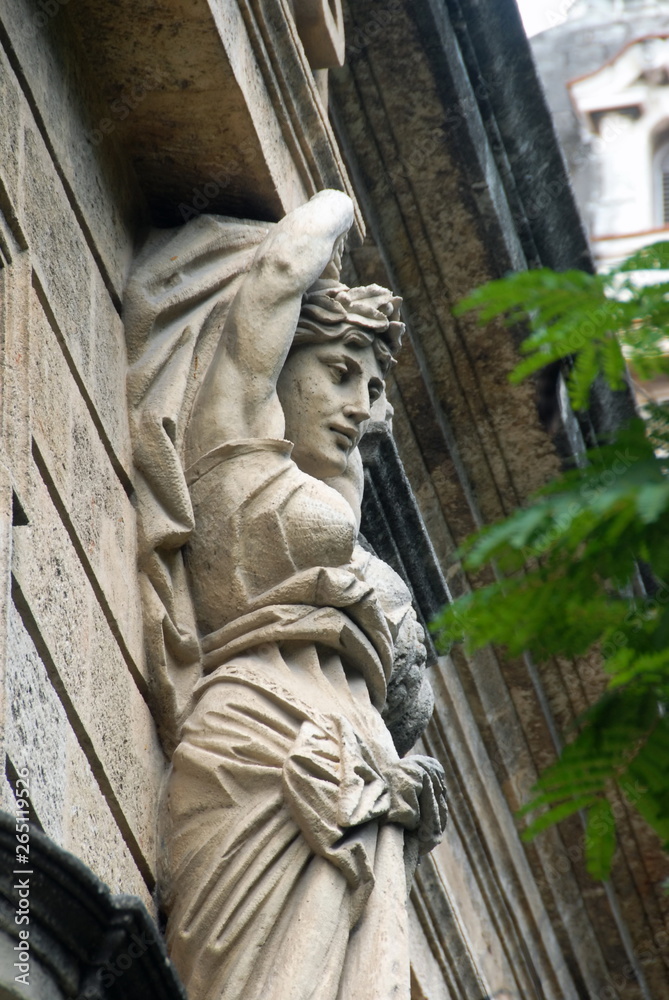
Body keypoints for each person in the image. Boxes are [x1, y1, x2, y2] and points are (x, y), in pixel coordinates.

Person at [151, 190, 447, 1000]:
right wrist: (340, 198)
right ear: (281, 365)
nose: (359, 407)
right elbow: (282, 270)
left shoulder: (335, 501)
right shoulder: (236, 451)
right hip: (263, 746)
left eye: (372, 388)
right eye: (338, 375)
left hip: (366, 781)